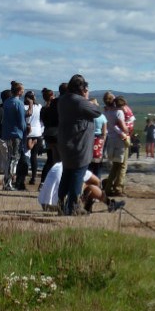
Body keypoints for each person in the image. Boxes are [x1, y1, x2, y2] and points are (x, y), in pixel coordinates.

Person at [57, 74, 102, 216]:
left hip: (66, 141)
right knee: (77, 175)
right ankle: (73, 207)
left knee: (67, 174)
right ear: (82, 88)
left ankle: (60, 205)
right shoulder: (79, 101)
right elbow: (97, 112)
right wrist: (86, 97)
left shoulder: (63, 99)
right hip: (79, 144)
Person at [103, 92, 130, 197]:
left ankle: (108, 187)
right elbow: (123, 128)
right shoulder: (118, 112)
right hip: (120, 140)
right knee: (122, 165)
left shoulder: (106, 112)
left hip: (111, 140)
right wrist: (127, 129)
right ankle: (118, 188)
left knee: (115, 165)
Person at [2, 81, 27, 191]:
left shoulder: (7, 102)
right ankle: (8, 183)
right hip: (16, 133)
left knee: (9, 157)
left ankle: (6, 181)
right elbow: (22, 121)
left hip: (7, 132)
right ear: (19, 91)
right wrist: (25, 131)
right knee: (14, 158)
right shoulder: (19, 103)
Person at [39, 87, 60, 184]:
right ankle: (49, 181)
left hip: (47, 134)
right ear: (52, 96)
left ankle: (44, 181)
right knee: (53, 159)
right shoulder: (53, 109)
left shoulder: (43, 109)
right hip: (56, 134)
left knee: (50, 158)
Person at [24, 90, 43, 186]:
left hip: (27, 133)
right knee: (34, 156)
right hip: (37, 132)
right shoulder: (39, 107)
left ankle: (23, 175)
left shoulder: (24, 107)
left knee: (25, 155)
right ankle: (33, 177)